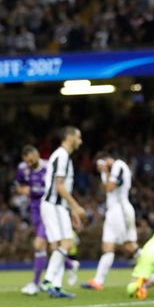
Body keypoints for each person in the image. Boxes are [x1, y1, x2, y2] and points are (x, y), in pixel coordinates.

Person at [17, 145, 79, 295]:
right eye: (27, 161)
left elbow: (56, 186)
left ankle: (36, 283)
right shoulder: (22, 169)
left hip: (49, 207)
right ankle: (70, 265)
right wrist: (28, 190)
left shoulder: (49, 166)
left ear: (37, 154)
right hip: (35, 210)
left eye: (31, 159)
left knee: (39, 244)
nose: (29, 163)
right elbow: (21, 187)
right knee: (53, 246)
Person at [82, 152, 140, 290]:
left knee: (129, 245)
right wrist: (105, 173)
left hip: (121, 210)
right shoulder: (108, 171)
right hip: (112, 211)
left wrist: (106, 171)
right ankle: (98, 281)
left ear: (108, 159)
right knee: (107, 247)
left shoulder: (118, 165)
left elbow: (110, 187)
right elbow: (105, 190)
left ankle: (152, 276)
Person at [40, 126, 86, 298]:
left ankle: (56, 286)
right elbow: (59, 186)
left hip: (58, 206)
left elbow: (63, 186)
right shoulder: (62, 156)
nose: (80, 142)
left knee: (61, 247)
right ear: (69, 137)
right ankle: (48, 280)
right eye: (78, 137)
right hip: (53, 205)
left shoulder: (63, 156)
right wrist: (75, 206)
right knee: (66, 244)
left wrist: (70, 210)